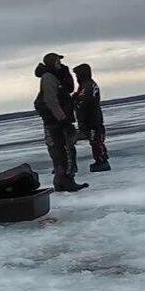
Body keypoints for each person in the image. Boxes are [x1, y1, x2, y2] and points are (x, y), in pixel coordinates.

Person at [34, 53, 88, 192]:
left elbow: (68, 90)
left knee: (66, 150)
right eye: (58, 61)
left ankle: (63, 181)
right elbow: (51, 101)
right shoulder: (49, 78)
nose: (60, 63)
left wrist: (65, 74)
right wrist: (63, 120)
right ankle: (65, 181)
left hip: (59, 120)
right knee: (62, 151)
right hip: (56, 122)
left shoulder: (58, 76)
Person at [72, 63, 111, 172]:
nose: (76, 77)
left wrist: (76, 101)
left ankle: (102, 161)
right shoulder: (85, 86)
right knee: (95, 141)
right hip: (90, 119)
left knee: (96, 141)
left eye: (77, 74)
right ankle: (101, 160)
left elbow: (85, 102)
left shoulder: (88, 86)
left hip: (92, 119)